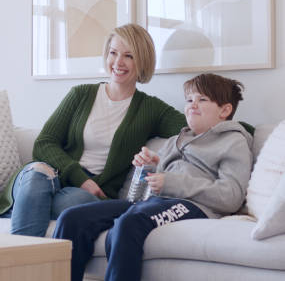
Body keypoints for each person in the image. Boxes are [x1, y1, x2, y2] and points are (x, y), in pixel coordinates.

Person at [53, 73, 253, 281]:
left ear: (225, 110)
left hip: (193, 206)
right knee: (73, 218)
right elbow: (142, 195)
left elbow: (231, 196)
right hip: (155, 202)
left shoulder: (233, 142)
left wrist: (171, 182)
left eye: (202, 99)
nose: (193, 105)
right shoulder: (177, 139)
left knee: (129, 223)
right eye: (189, 99)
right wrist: (148, 166)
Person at [0, 23, 186, 236]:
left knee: (80, 202)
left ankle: (21, 212)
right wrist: (81, 179)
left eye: (129, 56)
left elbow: (194, 131)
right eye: (113, 53)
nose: (118, 62)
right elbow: (45, 142)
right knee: (36, 176)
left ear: (142, 60)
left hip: (84, 195)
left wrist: (226, 122)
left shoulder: (151, 109)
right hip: (50, 176)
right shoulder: (80, 94)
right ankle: (27, 265)